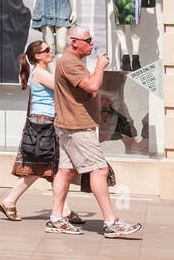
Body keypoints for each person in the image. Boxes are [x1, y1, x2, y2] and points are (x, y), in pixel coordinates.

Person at [48, 27, 142, 237]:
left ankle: (56, 217)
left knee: (66, 171)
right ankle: (111, 222)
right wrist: (100, 66)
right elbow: (91, 86)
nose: (92, 44)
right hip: (77, 127)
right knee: (99, 170)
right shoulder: (69, 62)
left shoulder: (73, 61)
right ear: (74, 42)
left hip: (72, 125)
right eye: (88, 40)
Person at [0, 40, 80, 224]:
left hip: (45, 124)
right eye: (47, 50)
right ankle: (9, 201)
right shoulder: (41, 73)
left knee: (53, 169)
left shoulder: (42, 72)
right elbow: (64, 88)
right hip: (44, 125)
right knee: (40, 167)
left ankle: (63, 210)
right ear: (38, 56)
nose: (51, 52)